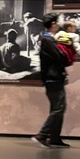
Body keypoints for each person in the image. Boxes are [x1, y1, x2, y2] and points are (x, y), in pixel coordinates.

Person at [32, 13, 70, 148]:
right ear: (53, 24)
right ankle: (42, 135)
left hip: (53, 78)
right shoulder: (48, 40)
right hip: (53, 78)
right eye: (57, 22)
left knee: (57, 107)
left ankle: (54, 137)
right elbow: (60, 57)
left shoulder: (49, 39)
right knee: (59, 107)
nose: (59, 24)